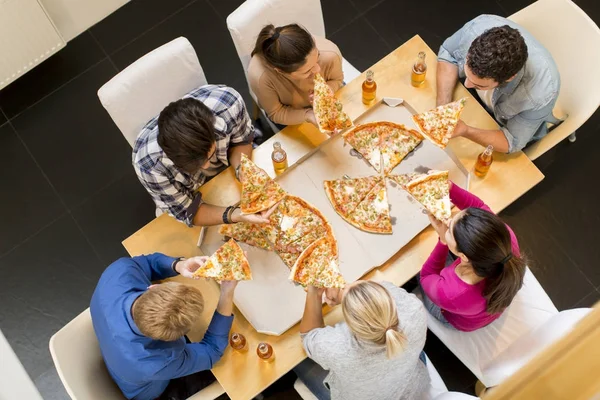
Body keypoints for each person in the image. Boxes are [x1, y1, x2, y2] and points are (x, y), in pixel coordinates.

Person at [90, 253, 238, 400]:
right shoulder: (159, 361)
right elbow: (212, 351)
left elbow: (146, 263)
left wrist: (178, 265)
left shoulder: (119, 272)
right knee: (231, 367)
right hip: (156, 392)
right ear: (171, 339)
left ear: (153, 288)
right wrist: (227, 292)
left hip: (122, 361)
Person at [133, 85, 276, 227]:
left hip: (227, 161)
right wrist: (237, 214)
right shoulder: (149, 167)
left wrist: (242, 169)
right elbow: (188, 211)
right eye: (195, 165)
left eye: (210, 155)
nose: (207, 166)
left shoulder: (229, 105)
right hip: (192, 190)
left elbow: (242, 141)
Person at [436, 15, 561, 153]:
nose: (467, 84)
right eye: (467, 71)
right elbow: (448, 54)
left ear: (509, 78)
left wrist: (466, 131)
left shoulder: (541, 94)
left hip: (501, 123)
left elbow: (512, 141)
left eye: (480, 85)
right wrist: (442, 107)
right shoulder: (478, 27)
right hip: (476, 106)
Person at [295, 281, 430, 400]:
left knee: (298, 363)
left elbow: (308, 336)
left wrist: (315, 293)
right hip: (413, 390)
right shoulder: (414, 311)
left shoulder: (339, 349)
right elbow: (386, 287)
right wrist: (349, 295)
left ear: (350, 326)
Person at [419, 182, 526, 332]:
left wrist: (442, 241)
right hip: (487, 307)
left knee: (417, 269)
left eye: (449, 230)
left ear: (463, 256)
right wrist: (450, 188)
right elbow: (479, 207)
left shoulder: (453, 294)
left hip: (454, 317)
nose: (448, 220)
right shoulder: (504, 238)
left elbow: (426, 276)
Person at [248, 23, 344, 127]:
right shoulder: (261, 77)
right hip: (289, 113)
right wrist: (308, 115)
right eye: (307, 71)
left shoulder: (330, 55)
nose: (318, 69)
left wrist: (327, 90)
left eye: (318, 57)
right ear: (281, 71)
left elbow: (337, 79)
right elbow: (276, 112)